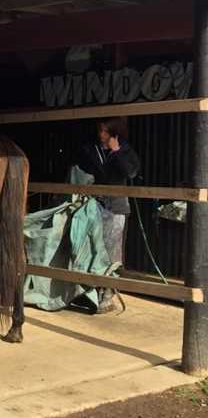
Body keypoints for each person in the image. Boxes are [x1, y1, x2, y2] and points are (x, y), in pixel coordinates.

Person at [78, 117, 140, 313]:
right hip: (95, 205)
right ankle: (92, 292)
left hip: (116, 207)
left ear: (114, 133)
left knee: (112, 251)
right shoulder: (91, 150)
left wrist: (117, 152)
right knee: (95, 248)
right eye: (100, 130)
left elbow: (130, 172)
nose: (101, 135)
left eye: (105, 131)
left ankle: (108, 294)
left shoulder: (126, 150)